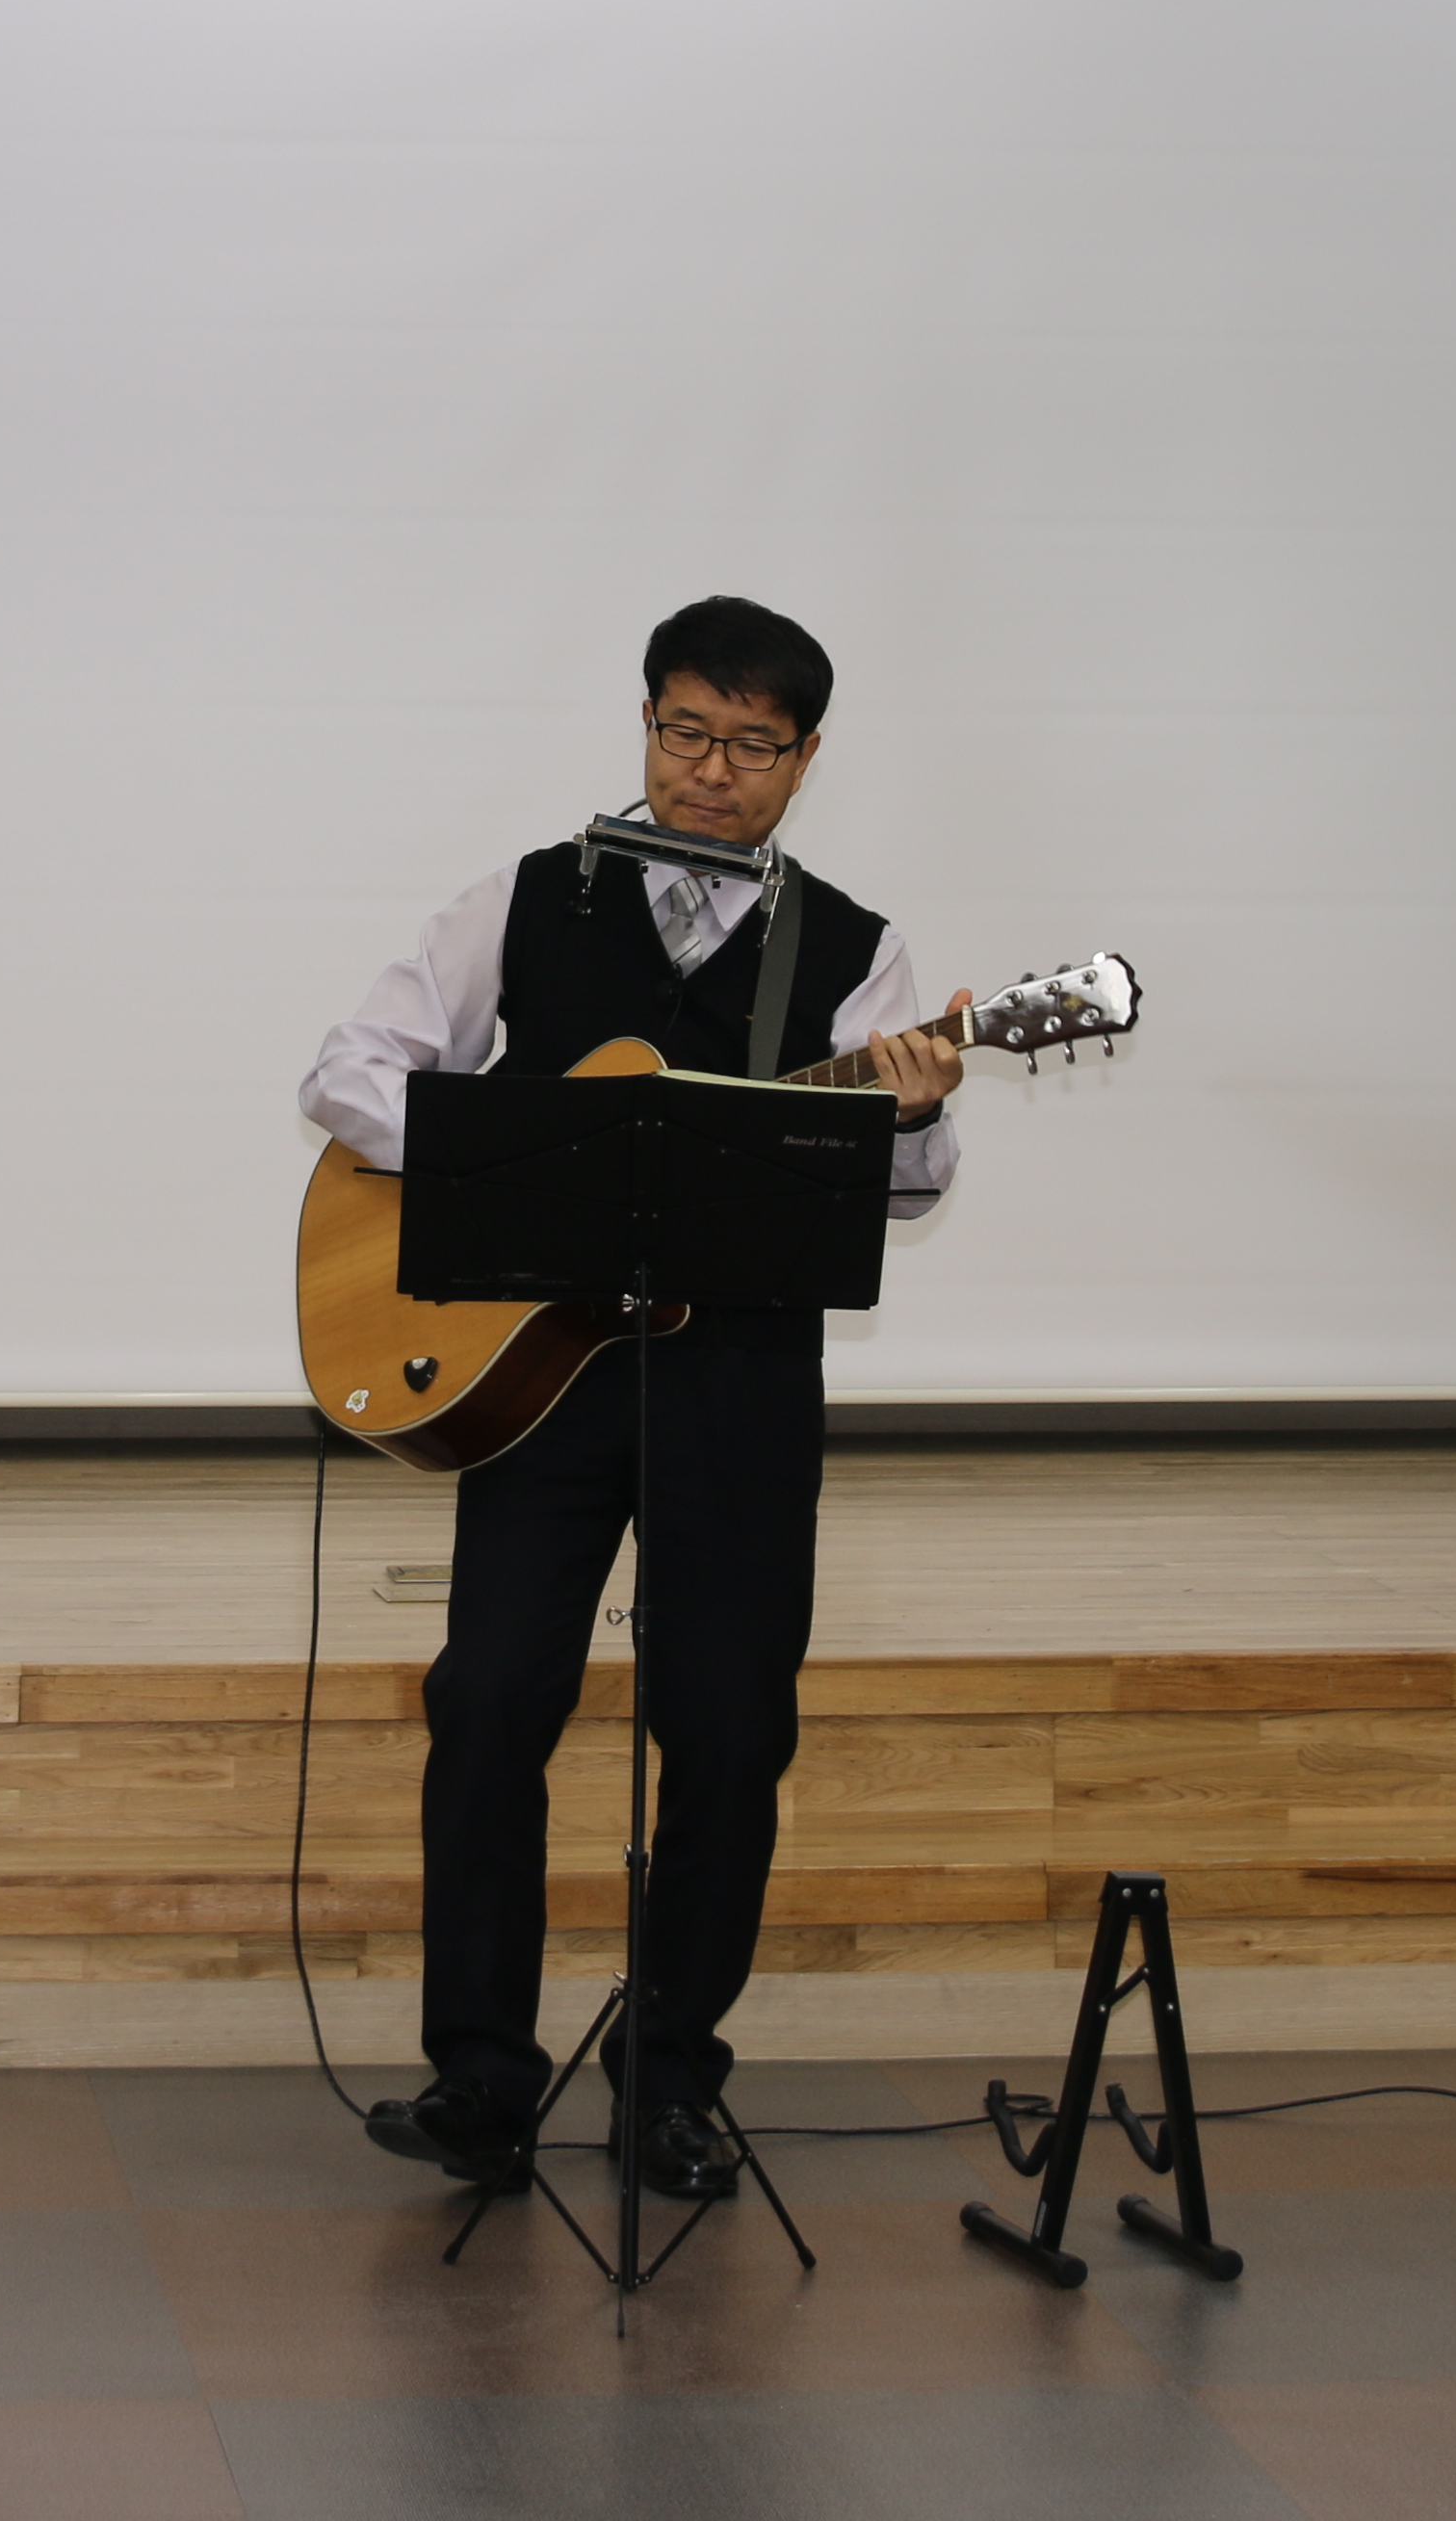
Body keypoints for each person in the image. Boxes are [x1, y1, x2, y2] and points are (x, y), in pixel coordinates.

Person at [298, 595, 968, 2204]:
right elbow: (347, 1071)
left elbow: (912, 1186)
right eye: (686, 731)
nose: (711, 770)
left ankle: (669, 2077)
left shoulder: (854, 944)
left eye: (752, 745)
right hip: (537, 1378)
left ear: (806, 759)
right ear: (647, 723)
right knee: (488, 1700)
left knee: (730, 1730)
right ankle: (480, 2076)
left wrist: (915, 1112)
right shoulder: (529, 896)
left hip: (740, 1378)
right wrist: (528, 1150)